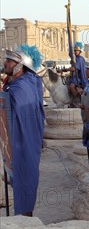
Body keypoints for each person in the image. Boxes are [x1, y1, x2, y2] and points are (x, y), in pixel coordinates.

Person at [3, 45, 45, 216]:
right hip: (19, 141)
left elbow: (14, 106)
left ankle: (25, 222)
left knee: (25, 180)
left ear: (20, 66)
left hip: (24, 143)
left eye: (10, 61)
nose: (5, 63)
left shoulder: (22, 87)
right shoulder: (22, 83)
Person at [61, 41, 87, 107]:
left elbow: (74, 68)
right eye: (75, 51)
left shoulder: (80, 59)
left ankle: (76, 100)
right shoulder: (75, 58)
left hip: (79, 77)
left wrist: (66, 69)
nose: (75, 52)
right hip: (74, 76)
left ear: (80, 51)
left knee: (71, 86)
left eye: (77, 51)